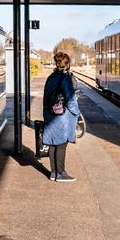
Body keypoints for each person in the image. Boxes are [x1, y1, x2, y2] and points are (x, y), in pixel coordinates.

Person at [42, 51, 80, 182]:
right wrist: (77, 113)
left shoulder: (51, 77)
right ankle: (61, 173)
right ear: (67, 64)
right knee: (62, 144)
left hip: (49, 113)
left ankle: (53, 172)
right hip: (61, 115)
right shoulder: (65, 78)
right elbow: (70, 99)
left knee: (53, 143)